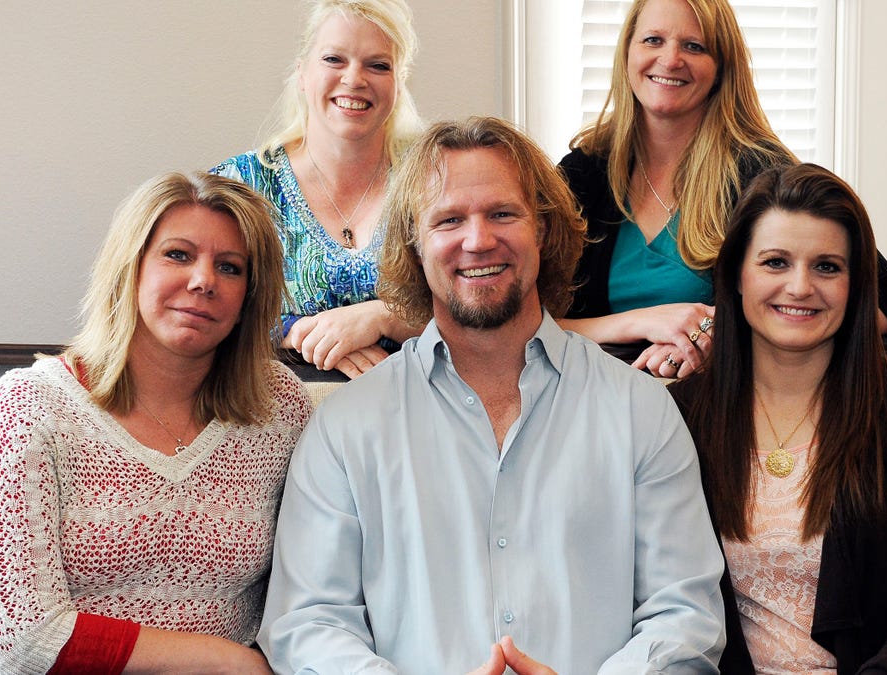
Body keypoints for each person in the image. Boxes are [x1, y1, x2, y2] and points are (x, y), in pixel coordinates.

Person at [260, 117, 726, 674]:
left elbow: (685, 617)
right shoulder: (346, 428)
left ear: (545, 231)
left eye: (503, 214)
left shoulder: (641, 411)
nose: (478, 240)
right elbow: (307, 624)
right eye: (449, 219)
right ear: (413, 244)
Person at [0, 172, 313, 674]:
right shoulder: (25, 410)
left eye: (230, 267)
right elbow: (28, 638)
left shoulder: (279, 410)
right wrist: (226, 662)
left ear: (249, 299)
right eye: (178, 255)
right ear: (130, 269)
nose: (203, 281)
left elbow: (315, 588)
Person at [669, 163, 887, 673]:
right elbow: (665, 604)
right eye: (775, 262)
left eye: (827, 267)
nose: (800, 287)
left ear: (855, 284)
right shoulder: (683, 416)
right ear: (734, 275)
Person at [557, 0, 887, 380]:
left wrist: (721, 337)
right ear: (627, 52)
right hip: (592, 403)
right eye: (653, 40)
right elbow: (521, 321)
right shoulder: (582, 174)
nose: (671, 59)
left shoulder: (761, 174)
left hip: (721, 406)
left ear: (721, 68)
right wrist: (642, 324)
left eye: (694, 46)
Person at [213, 0, 424, 379]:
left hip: (418, 414)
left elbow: (479, 305)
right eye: (334, 60)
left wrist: (384, 317)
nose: (354, 79)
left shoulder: (432, 183)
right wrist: (306, 334)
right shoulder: (241, 187)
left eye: (378, 65)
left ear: (399, 81)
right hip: (272, 418)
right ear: (302, 73)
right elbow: (202, 302)